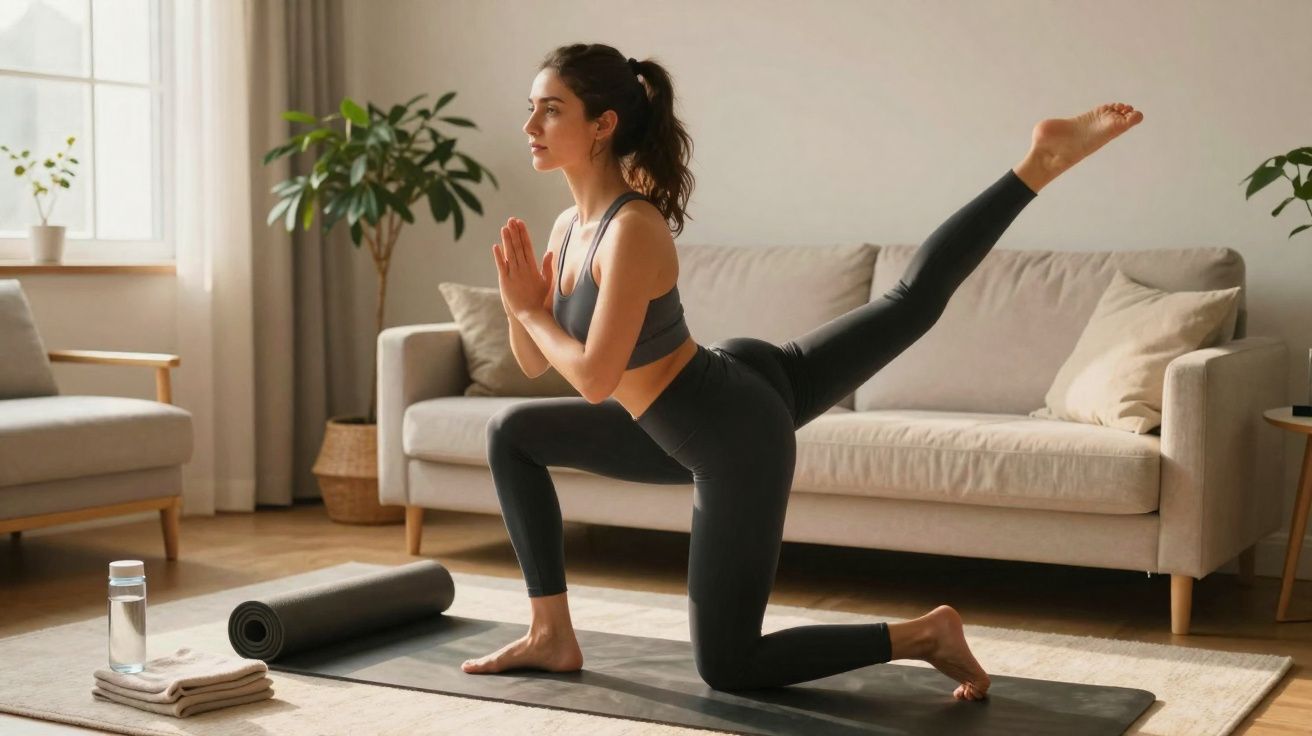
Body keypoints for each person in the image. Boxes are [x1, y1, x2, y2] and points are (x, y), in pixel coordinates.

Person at [462, 42, 1143, 701]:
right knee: (512, 431)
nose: (529, 126)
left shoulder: (632, 228)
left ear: (602, 125)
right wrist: (525, 309)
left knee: (729, 664)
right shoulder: (564, 229)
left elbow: (592, 381)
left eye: (549, 109)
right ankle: (551, 631)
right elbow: (533, 362)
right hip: (710, 396)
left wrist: (530, 310)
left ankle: (924, 635)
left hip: (730, 434)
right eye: (531, 107)